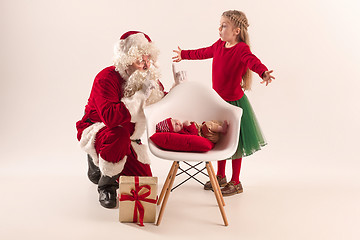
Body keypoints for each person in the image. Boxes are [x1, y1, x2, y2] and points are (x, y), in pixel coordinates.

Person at [172, 10, 275, 196]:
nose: (219, 29)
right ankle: (220, 176)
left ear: (236, 30)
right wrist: (184, 54)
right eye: (219, 25)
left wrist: (263, 72)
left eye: (224, 25)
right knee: (219, 139)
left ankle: (236, 182)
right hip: (218, 102)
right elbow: (203, 52)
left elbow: (252, 61)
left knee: (235, 143)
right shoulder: (219, 45)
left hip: (234, 103)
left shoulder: (241, 49)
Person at [76, 31, 169, 208]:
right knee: (118, 133)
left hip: (130, 138)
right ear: (127, 60)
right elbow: (111, 118)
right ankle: (106, 184)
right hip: (100, 130)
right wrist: (139, 97)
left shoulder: (148, 80)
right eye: (140, 60)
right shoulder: (106, 78)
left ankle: (106, 163)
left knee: (144, 186)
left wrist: (177, 90)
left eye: (148, 59)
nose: (146, 65)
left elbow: (161, 109)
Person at [156, 117, 228, 143]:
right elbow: (194, 134)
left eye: (175, 121)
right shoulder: (181, 134)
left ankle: (220, 128)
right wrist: (189, 126)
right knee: (208, 125)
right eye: (175, 125)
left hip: (210, 133)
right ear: (173, 132)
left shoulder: (182, 128)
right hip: (209, 136)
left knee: (211, 122)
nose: (177, 123)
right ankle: (222, 129)